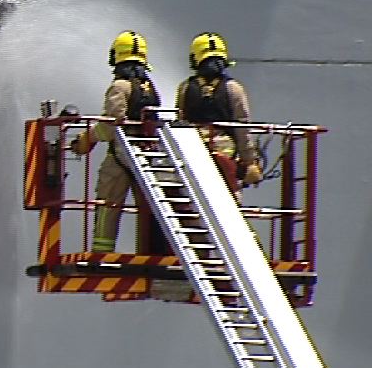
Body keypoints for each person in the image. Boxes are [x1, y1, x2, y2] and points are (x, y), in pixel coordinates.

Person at [72, 30, 161, 253]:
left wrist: (86, 139)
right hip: (148, 158)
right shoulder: (150, 88)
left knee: (107, 206)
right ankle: (148, 252)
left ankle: (101, 254)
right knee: (149, 211)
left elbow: (112, 125)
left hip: (121, 157)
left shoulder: (119, 87)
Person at [175, 32, 262, 198]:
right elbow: (242, 128)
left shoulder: (185, 88)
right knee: (231, 199)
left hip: (192, 151)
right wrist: (250, 162)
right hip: (225, 156)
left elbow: (180, 121)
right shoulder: (234, 89)